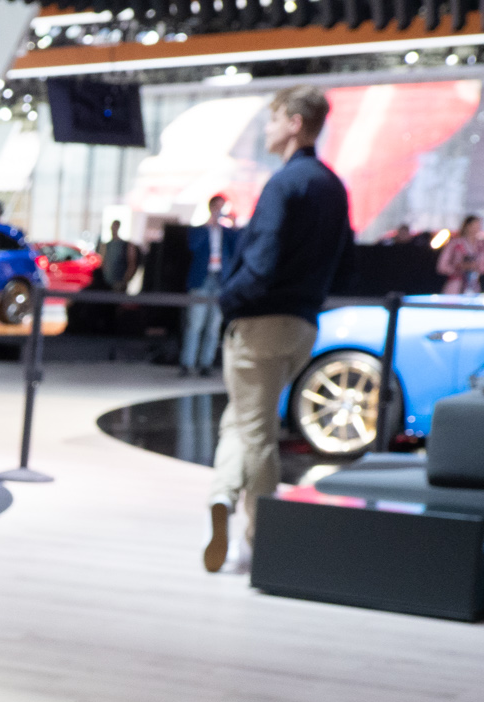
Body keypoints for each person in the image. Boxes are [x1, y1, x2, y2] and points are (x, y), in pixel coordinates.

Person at [205, 84, 352, 575]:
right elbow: (345, 265)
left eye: (272, 119)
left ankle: (259, 537)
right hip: (303, 325)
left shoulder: (284, 184)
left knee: (257, 433)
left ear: (294, 123)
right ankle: (222, 495)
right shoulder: (334, 187)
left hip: (260, 324)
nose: (266, 129)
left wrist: (228, 301)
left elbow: (261, 264)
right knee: (244, 418)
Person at [180, 194, 237, 377]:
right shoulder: (199, 230)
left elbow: (238, 247)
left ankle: (206, 363)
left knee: (213, 325)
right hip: (202, 279)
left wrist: (233, 225)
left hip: (220, 280)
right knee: (195, 323)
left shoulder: (227, 233)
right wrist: (209, 225)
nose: (219, 210)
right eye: (217, 206)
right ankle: (187, 363)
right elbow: (193, 246)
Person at [438, 214, 484, 295]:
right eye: (473, 226)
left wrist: (474, 266)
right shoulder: (455, 243)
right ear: (467, 226)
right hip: (455, 286)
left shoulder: (482, 245)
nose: (476, 229)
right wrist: (459, 267)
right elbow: (442, 266)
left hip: (473, 286)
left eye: (478, 226)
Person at [99, 219, 137, 292]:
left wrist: (125, 280)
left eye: (115, 226)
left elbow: (132, 264)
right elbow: (103, 263)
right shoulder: (106, 245)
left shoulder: (126, 245)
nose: (113, 229)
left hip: (119, 282)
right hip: (107, 282)